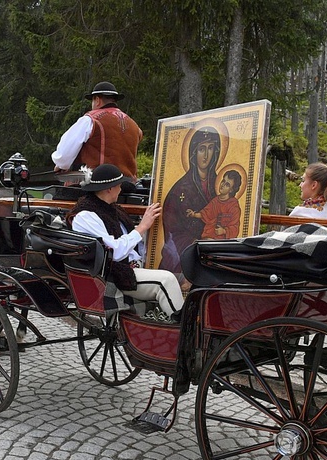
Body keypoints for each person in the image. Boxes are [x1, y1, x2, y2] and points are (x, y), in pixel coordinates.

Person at [66, 163, 184, 321]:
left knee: (185, 276)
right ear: (109, 189)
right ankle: (183, 332)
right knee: (166, 280)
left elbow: (130, 242)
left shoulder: (111, 209)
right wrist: (141, 228)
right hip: (113, 275)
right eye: (119, 185)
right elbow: (113, 251)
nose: (121, 189)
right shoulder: (85, 216)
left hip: (131, 266)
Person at [160, 125, 222, 274]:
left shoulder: (221, 185)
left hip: (217, 251)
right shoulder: (179, 190)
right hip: (187, 255)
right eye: (201, 149)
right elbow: (172, 230)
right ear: (194, 153)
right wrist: (197, 242)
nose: (206, 155)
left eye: (210, 148)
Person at [52, 81, 143, 182]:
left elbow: (64, 155)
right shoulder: (135, 126)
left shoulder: (90, 120)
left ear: (97, 100)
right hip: (126, 186)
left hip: (96, 186)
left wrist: (60, 164)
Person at [186, 169, 242, 239]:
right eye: (223, 181)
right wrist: (194, 214)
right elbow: (206, 213)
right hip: (208, 235)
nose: (223, 185)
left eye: (227, 185)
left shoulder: (233, 206)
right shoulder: (215, 201)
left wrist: (224, 231)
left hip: (221, 241)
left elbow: (235, 228)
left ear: (231, 190)